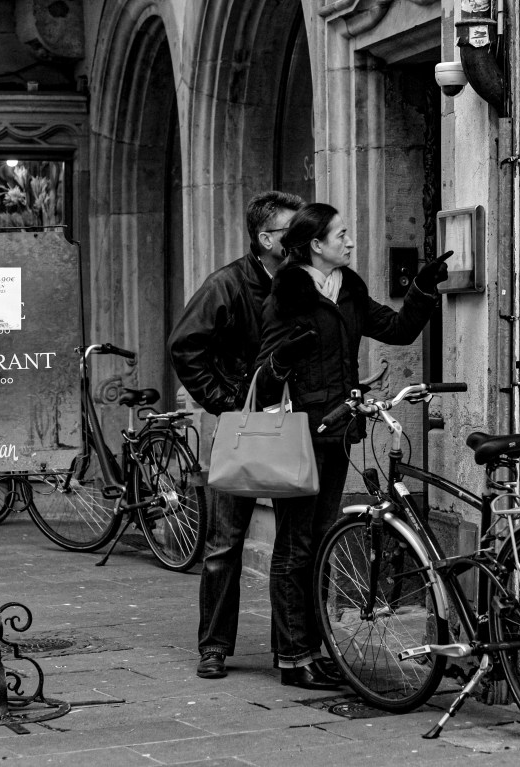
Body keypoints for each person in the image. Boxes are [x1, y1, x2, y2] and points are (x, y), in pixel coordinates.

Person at [254, 202, 449, 689]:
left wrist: (423, 288)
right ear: (315, 244)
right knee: (295, 545)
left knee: (320, 541)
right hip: (299, 435)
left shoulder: (348, 290)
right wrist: (284, 357)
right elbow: (263, 376)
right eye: (340, 234)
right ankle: (293, 657)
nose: (349, 240)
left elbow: (399, 330)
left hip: (338, 431)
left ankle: (312, 649)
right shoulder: (288, 294)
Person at [168, 190, 304, 680]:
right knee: (225, 543)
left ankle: (294, 651)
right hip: (241, 428)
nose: (303, 238)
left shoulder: (304, 282)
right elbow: (185, 346)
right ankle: (214, 647)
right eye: (293, 230)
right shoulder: (226, 284)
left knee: (296, 546)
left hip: (293, 427)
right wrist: (226, 402)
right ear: (266, 239)